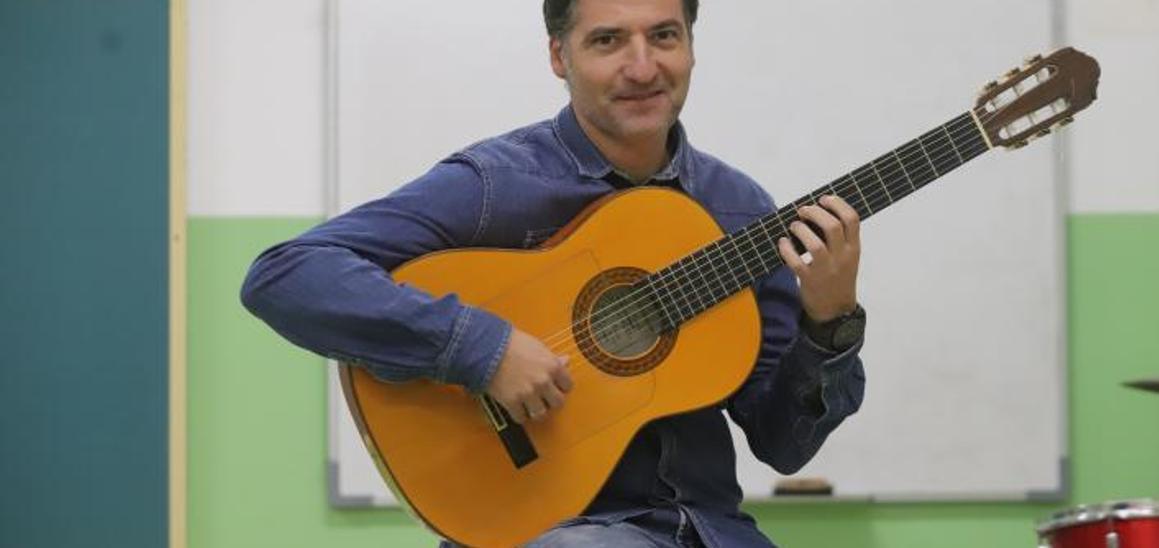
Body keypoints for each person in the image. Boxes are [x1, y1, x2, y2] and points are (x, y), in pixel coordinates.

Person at [240, 0, 868, 545]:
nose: (643, 66)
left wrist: (829, 322)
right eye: (607, 40)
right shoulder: (496, 184)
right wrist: (482, 348)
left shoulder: (739, 213)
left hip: (709, 530)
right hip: (552, 533)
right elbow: (287, 274)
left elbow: (783, 445)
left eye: (664, 36)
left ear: (692, 49)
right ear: (558, 56)